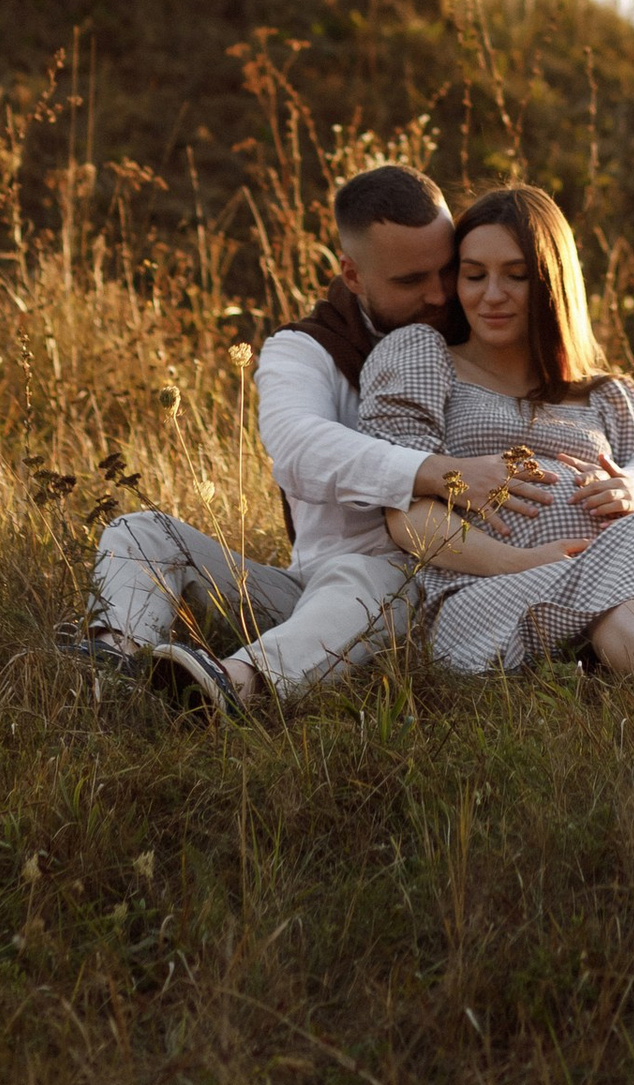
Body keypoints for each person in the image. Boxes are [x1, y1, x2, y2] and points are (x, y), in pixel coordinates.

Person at [85, 163, 586, 711]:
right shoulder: (304, 350)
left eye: (448, 270)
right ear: (351, 274)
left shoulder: (482, 327)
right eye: (410, 281)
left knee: (370, 576)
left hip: (417, 587)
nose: (442, 296)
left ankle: (232, 687)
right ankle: (115, 671)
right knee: (141, 531)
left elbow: (600, 407)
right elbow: (298, 446)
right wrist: (435, 472)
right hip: (303, 588)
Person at [362, 180, 634, 699]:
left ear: (552, 283)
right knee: (607, 601)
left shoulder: (605, 395)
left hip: (611, 574)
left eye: (516, 276)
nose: (491, 295)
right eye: (474, 275)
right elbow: (405, 514)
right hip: (489, 587)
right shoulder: (426, 359)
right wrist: (523, 561)